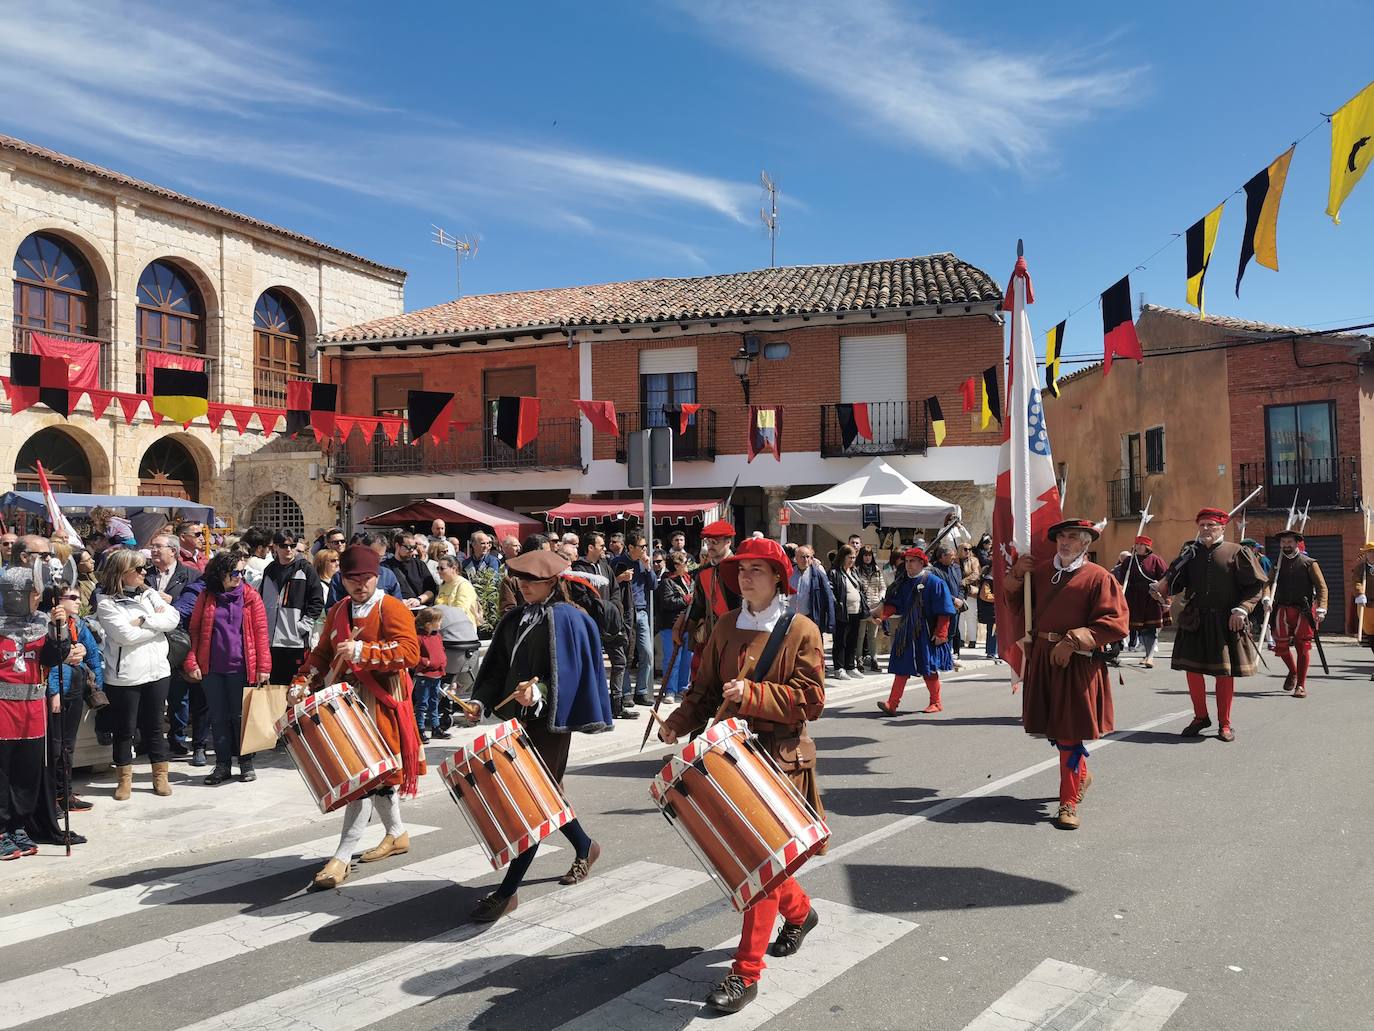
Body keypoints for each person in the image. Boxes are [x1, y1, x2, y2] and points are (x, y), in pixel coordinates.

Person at [658, 538, 826, 1014]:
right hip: (730, 759)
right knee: (759, 863)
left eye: (757, 569)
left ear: (778, 577)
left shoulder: (801, 630)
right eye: (742, 570)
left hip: (779, 756)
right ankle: (800, 912)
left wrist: (753, 695)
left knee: (761, 866)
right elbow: (705, 689)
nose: (746, 577)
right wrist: (678, 721)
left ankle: (745, 973)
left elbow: (811, 700)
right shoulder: (727, 625)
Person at [466, 549, 612, 921]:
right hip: (519, 722)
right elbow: (498, 668)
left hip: (550, 724)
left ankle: (508, 891)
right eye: (520, 580)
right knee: (547, 798)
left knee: (532, 804)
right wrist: (481, 703)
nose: (524, 586)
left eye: (531, 581)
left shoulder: (570, 619)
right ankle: (585, 846)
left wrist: (540, 692)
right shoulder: (515, 618)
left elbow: (571, 673)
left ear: (553, 582)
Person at [292, 544, 425, 890]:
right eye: (351, 578)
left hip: (382, 702)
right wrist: (302, 681)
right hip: (349, 705)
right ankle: (396, 833)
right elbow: (322, 655)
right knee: (374, 780)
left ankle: (342, 857)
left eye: (364, 577)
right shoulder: (338, 611)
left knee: (362, 781)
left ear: (376, 576)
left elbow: (410, 653)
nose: (358, 584)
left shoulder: (391, 607)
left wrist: (364, 651)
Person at [1004, 518, 1129, 830]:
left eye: (1073, 537)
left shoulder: (1099, 578)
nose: (1065, 541)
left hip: (1078, 664)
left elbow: (1116, 622)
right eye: (1061, 536)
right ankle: (1081, 776)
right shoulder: (1041, 571)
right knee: (1059, 731)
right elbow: (1016, 604)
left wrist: (1074, 640)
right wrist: (1017, 575)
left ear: (1086, 543)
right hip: (1044, 660)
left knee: (1070, 733)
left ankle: (1068, 802)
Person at [1152, 507, 1266, 742]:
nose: (1205, 529)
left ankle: (1225, 724)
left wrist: (1242, 609)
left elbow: (1255, 586)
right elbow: (1176, 582)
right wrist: (1161, 591)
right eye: (1202, 525)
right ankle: (1200, 716)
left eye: (1211, 525)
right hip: (1195, 619)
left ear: (1222, 527)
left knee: (1223, 674)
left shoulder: (1238, 552)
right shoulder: (1190, 553)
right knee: (1192, 670)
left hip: (1226, 620)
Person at [95, 549, 180, 800]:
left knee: (155, 726)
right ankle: (124, 779)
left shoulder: (149, 593)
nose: (145, 573)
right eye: (139, 569)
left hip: (157, 672)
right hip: (126, 676)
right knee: (125, 729)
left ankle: (160, 776)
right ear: (123, 572)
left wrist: (143, 621)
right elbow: (123, 635)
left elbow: (173, 619)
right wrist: (155, 625)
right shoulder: (106, 601)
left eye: (145, 568)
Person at [183, 549, 271, 784]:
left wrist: (264, 666)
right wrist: (192, 661)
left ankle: (246, 763)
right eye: (234, 573)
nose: (239, 577)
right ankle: (222, 765)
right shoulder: (206, 597)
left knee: (240, 717)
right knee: (219, 718)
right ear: (220, 574)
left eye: (241, 573)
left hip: (242, 668)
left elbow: (262, 634)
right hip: (212, 668)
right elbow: (194, 631)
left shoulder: (251, 597)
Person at [0, 566, 70, 860]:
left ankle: (19, 824)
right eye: (33, 591)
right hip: (2, 708)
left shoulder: (42, 622)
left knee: (26, 773)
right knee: (2, 773)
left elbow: (55, 659)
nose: (39, 596)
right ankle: (1, 830)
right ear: (16, 595)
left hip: (33, 709)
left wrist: (60, 629)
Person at [875, 547, 956, 715]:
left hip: (926, 631)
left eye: (912, 561)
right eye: (906, 561)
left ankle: (936, 702)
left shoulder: (935, 582)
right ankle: (892, 703)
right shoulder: (902, 582)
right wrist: (881, 616)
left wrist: (941, 633)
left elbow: (944, 610)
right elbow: (894, 604)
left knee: (928, 668)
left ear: (922, 563)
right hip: (906, 631)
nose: (908, 564)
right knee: (902, 668)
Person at [44, 582, 102, 815]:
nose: (78, 601)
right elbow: (51, 661)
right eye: (72, 597)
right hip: (57, 692)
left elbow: (93, 655)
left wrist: (98, 686)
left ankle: (65, 793)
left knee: (68, 746)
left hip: (76, 689)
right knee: (55, 747)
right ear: (56, 602)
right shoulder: (48, 625)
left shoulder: (79, 624)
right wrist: (54, 691)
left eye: (79, 597)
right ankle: (52, 797)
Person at [575, 532, 634, 720]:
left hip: (611, 623)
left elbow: (615, 590)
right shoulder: (579, 570)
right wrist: (603, 608)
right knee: (593, 666)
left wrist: (613, 609)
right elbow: (582, 598)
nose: (604, 548)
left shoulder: (606, 567)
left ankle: (617, 705)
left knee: (620, 661)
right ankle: (593, 706)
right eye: (601, 545)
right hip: (591, 624)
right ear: (591, 547)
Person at [1264, 528, 1327, 698]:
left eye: (1289, 542)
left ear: (1296, 543)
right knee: (1281, 647)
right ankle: (1292, 672)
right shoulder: (1276, 564)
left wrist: (1322, 607)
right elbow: (1267, 584)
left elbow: (1321, 587)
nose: (1286, 545)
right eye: (1283, 542)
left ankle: (1300, 685)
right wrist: (1267, 598)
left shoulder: (1309, 563)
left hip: (1304, 610)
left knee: (1302, 647)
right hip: (1282, 609)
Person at [675, 520, 741, 680]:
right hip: (710, 637)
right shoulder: (704, 571)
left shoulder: (740, 568)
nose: (710, 546)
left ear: (728, 542)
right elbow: (698, 605)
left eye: (715, 542)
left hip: (737, 637)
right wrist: (683, 624)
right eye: (708, 542)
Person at [260, 531, 324, 686]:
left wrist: (302, 627)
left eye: (292, 545)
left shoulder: (306, 569)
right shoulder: (269, 570)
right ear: (275, 547)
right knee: (274, 688)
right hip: (271, 642)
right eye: (284, 545)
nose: (288, 549)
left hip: (295, 643)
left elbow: (317, 601)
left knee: (295, 687)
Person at [611, 532, 657, 706]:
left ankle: (642, 691)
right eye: (642, 546)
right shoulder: (617, 562)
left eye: (646, 546)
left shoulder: (643, 562)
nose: (645, 549)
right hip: (625, 612)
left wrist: (648, 568)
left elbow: (653, 585)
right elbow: (608, 585)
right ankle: (625, 693)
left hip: (642, 612)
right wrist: (620, 578)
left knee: (646, 652)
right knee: (625, 653)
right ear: (630, 547)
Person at [1115, 535, 1169, 668]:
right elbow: (1122, 578)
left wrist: (1161, 593)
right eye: (1137, 544)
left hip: (1150, 596)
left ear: (1147, 547)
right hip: (1133, 597)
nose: (1138, 547)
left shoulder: (1156, 560)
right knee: (1138, 629)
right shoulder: (1129, 561)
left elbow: (1165, 578)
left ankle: (1150, 657)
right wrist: (1121, 588)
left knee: (1150, 628)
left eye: (1142, 545)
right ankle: (1144, 654)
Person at [654, 550, 694, 700]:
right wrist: (686, 599)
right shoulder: (667, 582)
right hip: (670, 626)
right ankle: (669, 690)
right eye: (685, 562)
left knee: (686, 660)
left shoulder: (688, 580)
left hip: (687, 625)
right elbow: (668, 603)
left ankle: (683, 688)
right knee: (672, 660)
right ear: (677, 565)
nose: (688, 565)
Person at [326, 533, 404, 606]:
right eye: (373, 556)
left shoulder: (388, 575)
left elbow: (398, 604)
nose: (376, 561)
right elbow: (333, 609)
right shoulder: (340, 576)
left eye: (381, 557)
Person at [829, 545, 864, 678]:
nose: (852, 560)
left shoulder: (854, 571)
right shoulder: (834, 572)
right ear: (843, 557)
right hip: (842, 611)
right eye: (850, 557)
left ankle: (850, 666)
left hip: (856, 610)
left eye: (854, 557)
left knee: (852, 640)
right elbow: (830, 592)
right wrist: (837, 605)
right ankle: (839, 668)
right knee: (840, 641)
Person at [412, 607, 447, 743]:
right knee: (422, 704)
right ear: (428, 624)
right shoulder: (419, 638)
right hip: (424, 676)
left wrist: (442, 663)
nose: (440, 624)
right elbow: (415, 656)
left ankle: (436, 727)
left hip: (437, 674)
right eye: (438, 621)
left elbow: (441, 650)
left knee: (434, 703)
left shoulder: (437, 636)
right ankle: (420, 729)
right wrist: (427, 662)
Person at [788, 545, 834, 646]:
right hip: (791, 618)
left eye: (808, 557)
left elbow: (828, 597)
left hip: (811, 617)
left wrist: (830, 622)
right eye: (802, 557)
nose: (806, 560)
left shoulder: (817, 575)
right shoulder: (789, 572)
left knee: (811, 647)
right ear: (796, 558)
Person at [932, 543, 967, 666]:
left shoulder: (956, 567)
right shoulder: (935, 570)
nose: (953, 558)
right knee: (942, 632)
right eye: (950, 556)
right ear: (942, 556)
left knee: (952, 632)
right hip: (943, 607)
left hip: (956, 606)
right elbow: (940, 590)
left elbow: (961, 586)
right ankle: (940, 658)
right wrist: (953, 600)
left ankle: (947, 657)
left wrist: (960, 599)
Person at [384, 531, 437, 608]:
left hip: (420, 610)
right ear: (397, 546)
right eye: (408, 547)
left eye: (414, 547)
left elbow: (432, 589)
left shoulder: (420, 564)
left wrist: (419, 600)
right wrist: (398, 601)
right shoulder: (385, 567)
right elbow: (382, 592)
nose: (412, 551)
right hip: (397, 609)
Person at [854, 546, 886, 672]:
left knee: (872, 636)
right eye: (865, 555)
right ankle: (859, 660)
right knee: (860, 636)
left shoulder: (877, 570)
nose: (867, 557)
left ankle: (874, 660)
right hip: (862, 607)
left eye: (869, 555)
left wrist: (880, 597)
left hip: (875, 605)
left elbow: (883, 586)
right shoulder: (856, 570)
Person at [434, 555, 483, 629]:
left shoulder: (463, 585)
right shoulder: (443, 585)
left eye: (442, 568)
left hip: (463, 629)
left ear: (453, 568)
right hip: (446, 627)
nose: (439, 571)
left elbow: (461, 610)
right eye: (438, 568)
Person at [1346, 543, 1374, 671]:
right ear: (1366, 554)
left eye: (1373, 552)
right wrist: (1360, 593)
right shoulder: (1360, 568)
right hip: (1366, 605)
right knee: (1371, 636)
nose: (1372, 554)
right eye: (1369, 552)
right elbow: (1355, 581)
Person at [956, 542, 981, 650]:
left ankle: (972, 640)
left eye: (970, 549)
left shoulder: (974, 560)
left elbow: (976, 574)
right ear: (960, 549)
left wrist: (964, 581)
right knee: (960, 617)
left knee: (971, 617)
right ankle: (961, 640)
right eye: (965, 549)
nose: (968, 551)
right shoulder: (955, 560)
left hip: (970, 592)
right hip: (958, 592)